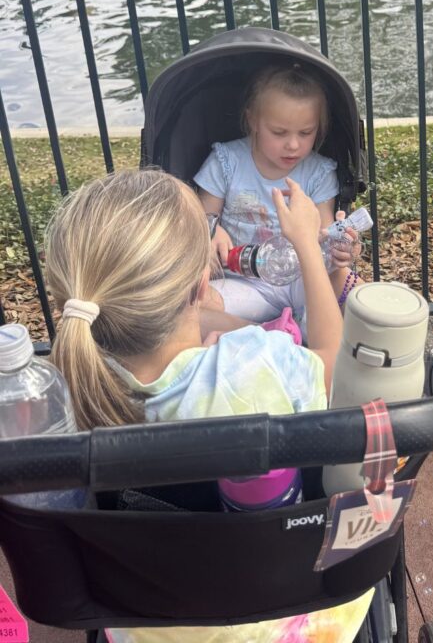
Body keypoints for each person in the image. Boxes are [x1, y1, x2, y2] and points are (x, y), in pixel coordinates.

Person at [46, 168, 370, 643]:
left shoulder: (65, 388)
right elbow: (332, 360)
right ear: (202, 286)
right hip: (282, 616)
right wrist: (305, 244)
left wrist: (222, 340)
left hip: (146, 621)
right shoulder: (256, 367)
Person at [194, 63, 362, 334]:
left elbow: (325, 235)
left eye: (306, 133)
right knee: (191, 312)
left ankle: (273, 334)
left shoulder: (319, 172)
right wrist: (212, 230)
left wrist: (343, 245)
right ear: (253, 121)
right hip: (243, 280)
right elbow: (200, 217)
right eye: (279, 133)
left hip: (306, 276)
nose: (293, 145)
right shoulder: (226, 162)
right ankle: (273, 335)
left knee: (364, 303)